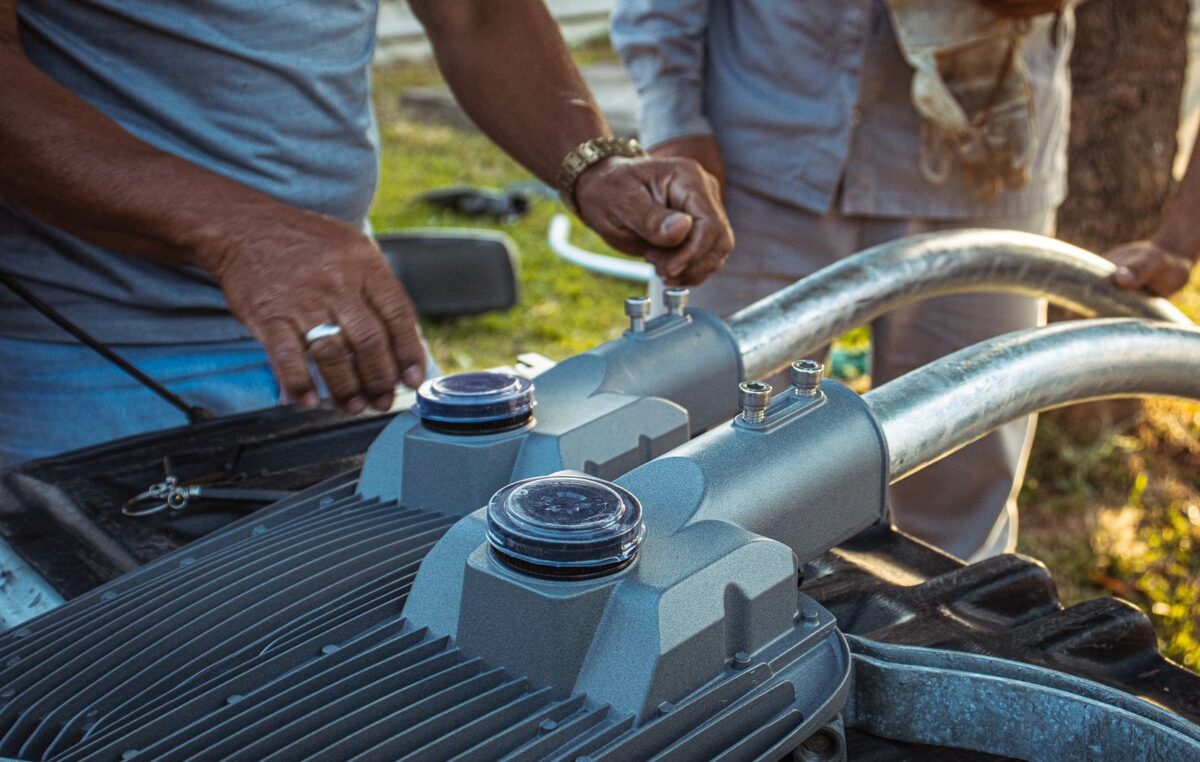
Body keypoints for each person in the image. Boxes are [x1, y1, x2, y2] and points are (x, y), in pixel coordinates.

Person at [0, 0, 733, 466]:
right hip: (81, 360)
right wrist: (239, 234)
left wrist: (590, 164)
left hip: (338, 343)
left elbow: (476, 14)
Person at [615, 0, 1197, 560]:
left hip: (981, 169)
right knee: (688, 466)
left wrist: (1180, 239)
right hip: (755, 157)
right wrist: (674, 121)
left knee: (956, 493)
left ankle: (942, 644)